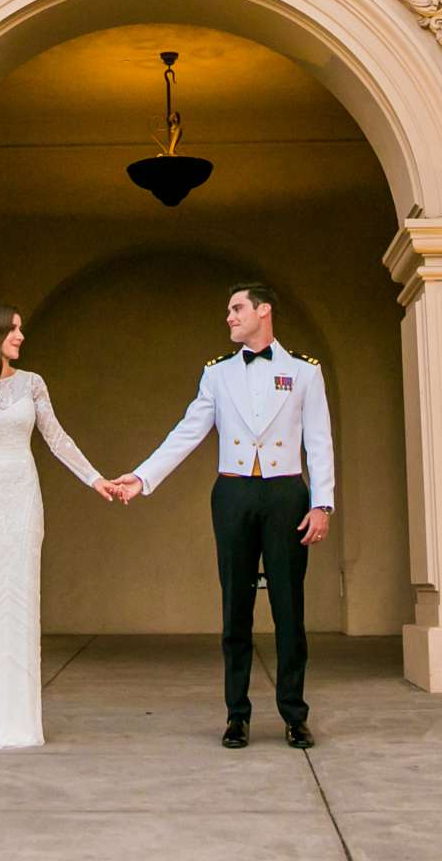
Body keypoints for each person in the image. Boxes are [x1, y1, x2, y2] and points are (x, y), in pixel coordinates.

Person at [107, 282, 335, 749]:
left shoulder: (304, 373)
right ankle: (237, 715)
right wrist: (143, 477)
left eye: (236, 308)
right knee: (236, 608)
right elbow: (187, 432)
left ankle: (295, 715)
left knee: (289, 608)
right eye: (229, 310)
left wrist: (322, 503)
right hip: (232, 492)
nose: (229, 317)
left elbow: (319, 440)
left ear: (263, 310)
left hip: (287, 494)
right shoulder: (217, 375)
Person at [0, 302, 111, 748]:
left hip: (21, 499)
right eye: (14, 330)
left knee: (18, 603)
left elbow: (57, 438)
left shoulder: (32, 383)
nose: (21, 336)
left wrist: (95, 479)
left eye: (20, 330)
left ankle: (18, 722)